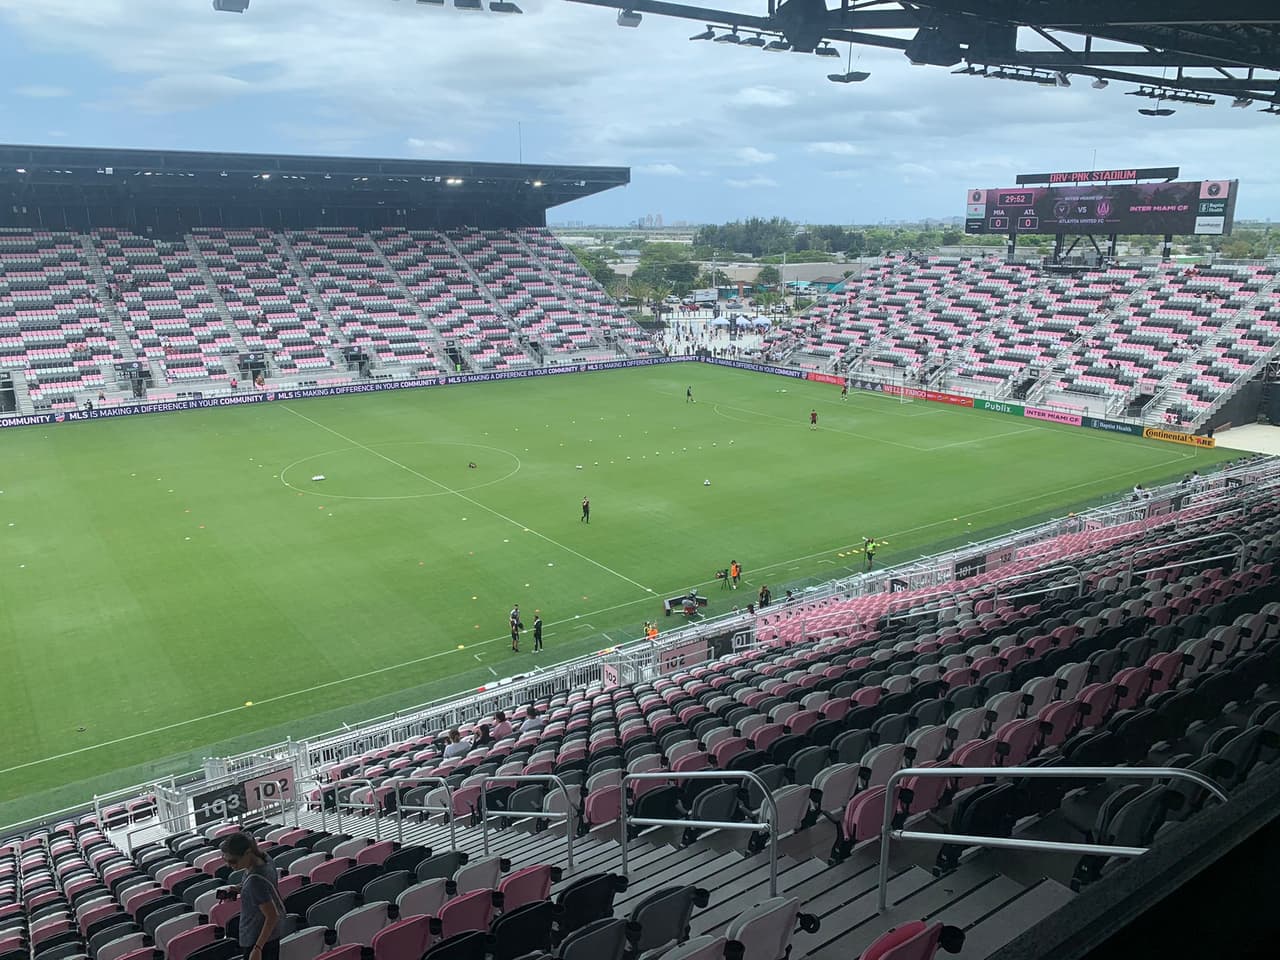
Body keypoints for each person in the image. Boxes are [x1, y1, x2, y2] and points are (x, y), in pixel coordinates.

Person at [219, 832, 283, 960]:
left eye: (232, 861)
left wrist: (257, 948)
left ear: (247, 853)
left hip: (257, 939)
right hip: (268, 937)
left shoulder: (255, 882)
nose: (229, 865)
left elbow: (272, 916)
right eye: (225, 860)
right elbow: (265, 887)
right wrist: (240, 888)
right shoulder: (265, 858)